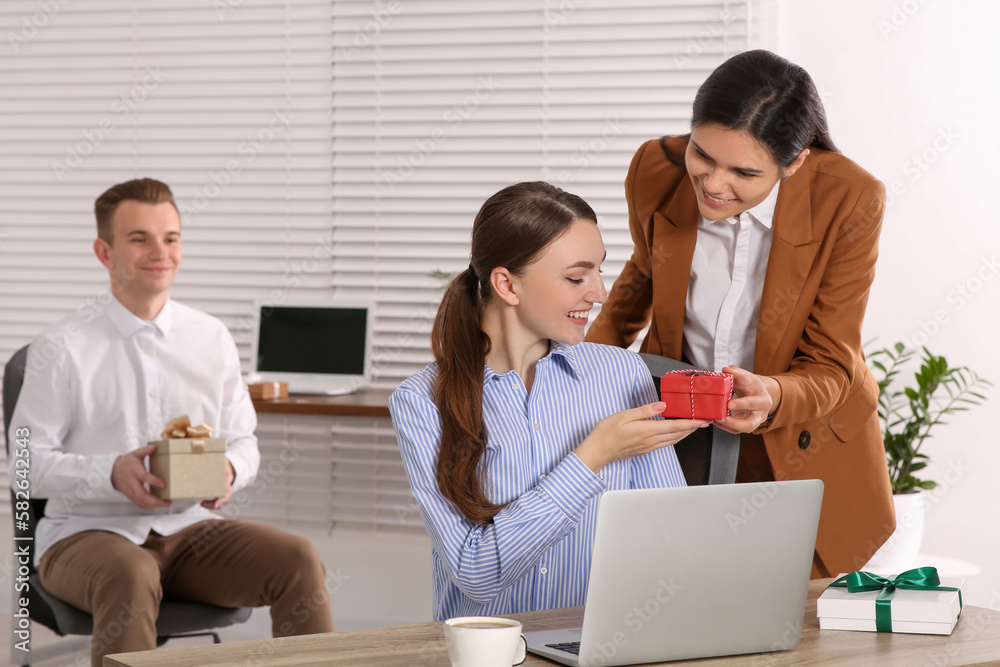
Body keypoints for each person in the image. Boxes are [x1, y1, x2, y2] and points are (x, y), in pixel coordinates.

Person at [585, 49, 895, 577]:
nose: (712, 184)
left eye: (744, 172)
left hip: (800, 439)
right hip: (683, 435)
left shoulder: (851, 197)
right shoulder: (655, 169)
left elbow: (831, 361)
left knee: (796, 633)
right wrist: (577, 376)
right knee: (666, 603)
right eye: (703, 154)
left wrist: (772, 394)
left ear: (793, 161)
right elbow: (639, 282)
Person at [8, 178, 333, 667]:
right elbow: (25, 467)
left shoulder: (211, 337)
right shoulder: (61, 345)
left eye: (171, 238)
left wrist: (229, 472)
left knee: (298, 558)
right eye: (139, 238)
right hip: (84, 533)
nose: (160, 252)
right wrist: (110, 472)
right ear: (104, 251)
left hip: (189, 528)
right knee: (130, 571)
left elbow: (243, 440)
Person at [390, 181, 709, 621]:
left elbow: (677, 540)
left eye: (598, 271)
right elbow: (476, 573)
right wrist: (592, 456)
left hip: (604, 646)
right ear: (507, 284)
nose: (598, 293)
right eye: (577, 277)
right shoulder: (422, 402)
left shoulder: (622, 373)